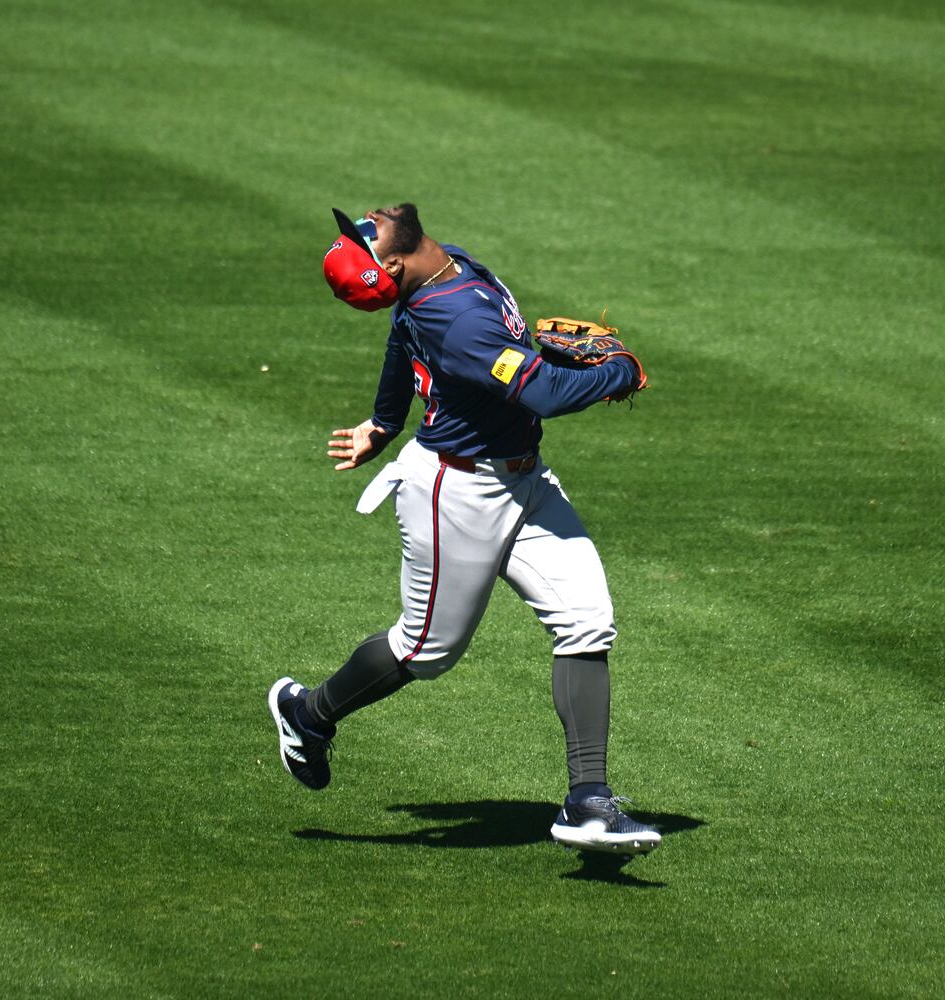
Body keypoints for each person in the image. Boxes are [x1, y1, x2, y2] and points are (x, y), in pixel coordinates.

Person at [267, 203, 659, 855]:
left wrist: (384, 419)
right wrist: (620, 371)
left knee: (588, 618)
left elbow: (399, 336)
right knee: (426, 652)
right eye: (367, 237)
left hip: (524, 481)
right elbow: (547, 395)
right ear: (390, 263)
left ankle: (588, 805)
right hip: (458, 490)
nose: (369, 220)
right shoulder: (456, 321)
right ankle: (307, 713)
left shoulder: (431, 267)